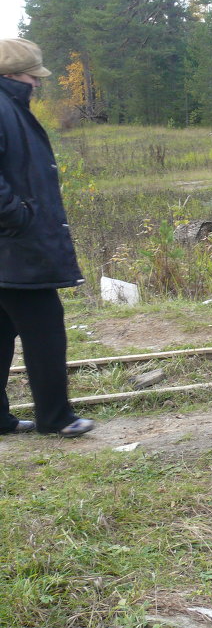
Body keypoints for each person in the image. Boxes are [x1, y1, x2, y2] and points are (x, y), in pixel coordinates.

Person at [0, 38, 94, 438]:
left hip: (11, 246)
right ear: (13, 75)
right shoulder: (4, 108)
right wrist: (18, 215)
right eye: (31, 76)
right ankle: (56, 417)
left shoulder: (10, 107)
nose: (37, 84)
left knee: (2, 330)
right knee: (46, 329)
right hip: (14, 246)